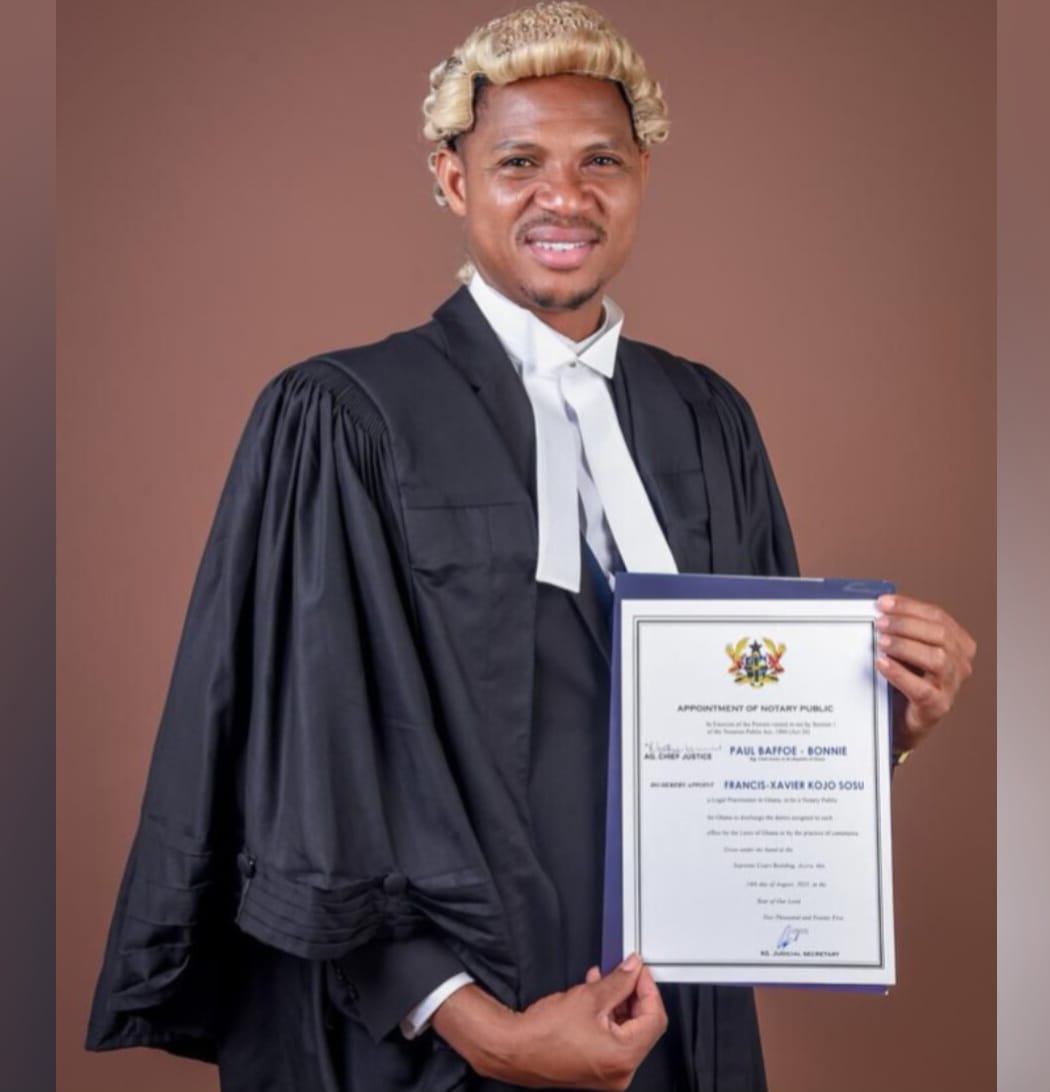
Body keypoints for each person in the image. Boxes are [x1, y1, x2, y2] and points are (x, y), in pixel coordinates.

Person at [84, 4, 976, 1090]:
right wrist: (490, 1033)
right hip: (431, 1041)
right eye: (519, 163)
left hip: (671, 1024)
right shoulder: (347, 417)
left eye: (600, 160)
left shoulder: (708, 422)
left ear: (642, 176)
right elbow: (305, 777)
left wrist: (883, 726)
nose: (565, 196)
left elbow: (749, 728)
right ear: (453, 179)